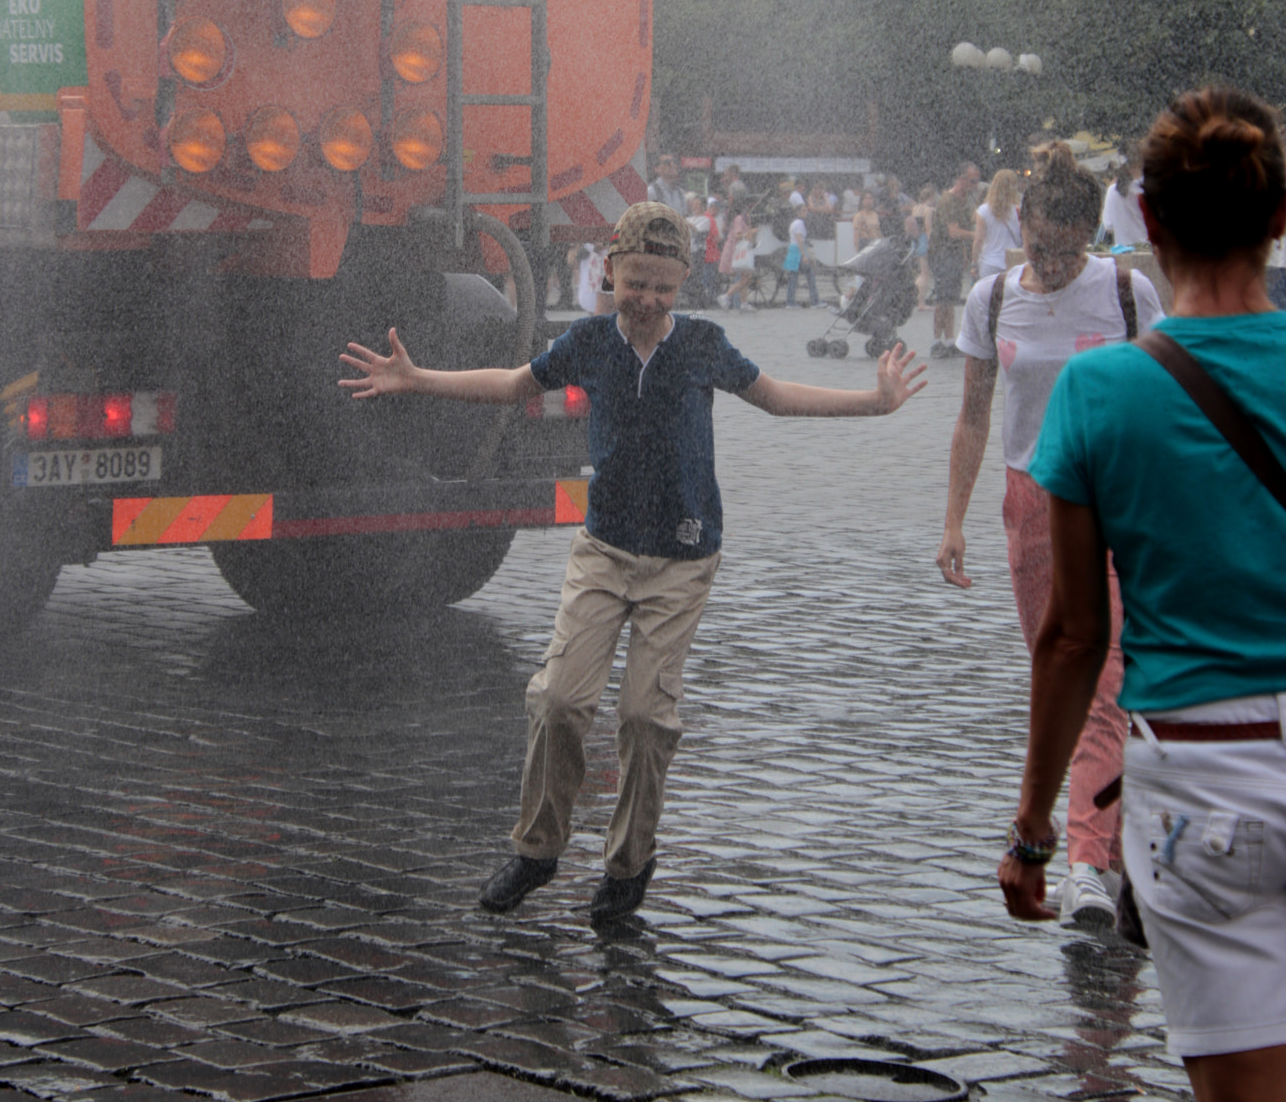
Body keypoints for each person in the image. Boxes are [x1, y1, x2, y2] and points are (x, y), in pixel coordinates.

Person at [340, 202, 925, 925]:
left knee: (647, 718)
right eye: (634, 283)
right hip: (604, 550)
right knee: (557, 701)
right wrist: (419, 378)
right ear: (609, 273)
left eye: (663, 288)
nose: (647, 300)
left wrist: (872, 403)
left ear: (681, 284)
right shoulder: (588, 342)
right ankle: (537, 849)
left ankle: (627, 865)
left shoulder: (703, 345)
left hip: (682, 557)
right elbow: (512, 383)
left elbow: (774, 397)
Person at [998, 90, 1286, 1102]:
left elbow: (1074, 638)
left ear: (1146, 224)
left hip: (1207, 780)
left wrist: (1035, 829)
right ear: (1284, 216)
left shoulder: (1103, 391)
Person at [938, 142, 1163, 927]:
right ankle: (1120, 827)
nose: (1057, 263)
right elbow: (972, 418)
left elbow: (1169, 406)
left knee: (1098, 680)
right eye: (1043, 246)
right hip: (1029, 500)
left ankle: (1085, 864)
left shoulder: (1128, 297)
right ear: (1021, 226)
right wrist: (953, 520)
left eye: (1072, 249)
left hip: (1116, 502)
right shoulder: (991, 299)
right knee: (1059, 687)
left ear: (1090, 238)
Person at [928, 161, 979, 357]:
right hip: (942, 253)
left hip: (954, 254)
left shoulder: (965, 200)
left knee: (950, 298)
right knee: (943, 299)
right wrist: (977, 236)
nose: (975, 186)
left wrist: (965, 254)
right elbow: (953, 232)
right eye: (972, 181)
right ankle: (936, 342)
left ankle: (949, 341)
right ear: (961, 179)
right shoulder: (948, 200)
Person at [971, 167, 1021, 280]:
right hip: (1012, 262)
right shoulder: (1019, 210)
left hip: (989, 262)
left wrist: (974, 263)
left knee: (989, 296)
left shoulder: (983, 210)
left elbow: (978, 240)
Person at [1101, 154, 1147, 246]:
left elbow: (1108, 226)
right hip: (1150, 251)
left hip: (1123, 251)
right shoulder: (1150, 189)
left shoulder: (1113, 190)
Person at [784, 208, 820, 307]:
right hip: (798, 251)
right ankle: (815, 301)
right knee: (810, 276)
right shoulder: (800, 223)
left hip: (792, 250)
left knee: (793, 278)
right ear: (799, 213)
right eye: (804, 211)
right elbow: (800, 239)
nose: (806, 213)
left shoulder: (793, 223)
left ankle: (790, 302)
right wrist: (804, 255)